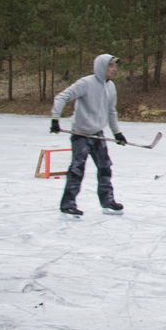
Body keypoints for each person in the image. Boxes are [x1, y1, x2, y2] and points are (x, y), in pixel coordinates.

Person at [50, 54, 127, 218]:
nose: (114, 69)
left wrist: (117, 133)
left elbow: (111, 111)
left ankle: (107, 202)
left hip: (97, 134)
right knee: (77, 169)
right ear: (101, 67)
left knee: (105, 167)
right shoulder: (86, 83)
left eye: (114, 66)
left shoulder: (111, 86)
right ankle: (67, 205)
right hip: (81, 134)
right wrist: (55, 118)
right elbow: (61, 97)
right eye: (110, 66)